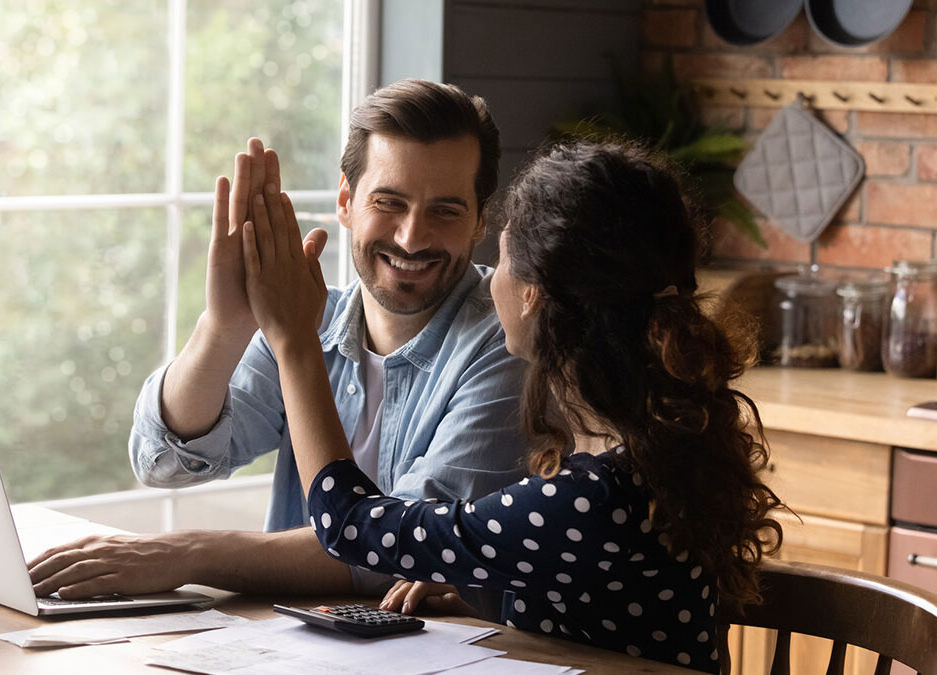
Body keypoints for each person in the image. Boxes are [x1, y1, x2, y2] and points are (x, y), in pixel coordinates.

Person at [239, 140, 785, 672]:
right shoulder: (641, 457)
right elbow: (603, 610)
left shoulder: (594, 497)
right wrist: (492, 605)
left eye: (499, 257)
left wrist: (294, 341)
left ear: (533, 294)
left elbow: (348, 526)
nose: (489, 276)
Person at [27, 80, 527, 599]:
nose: (411, 237)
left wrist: (187, 554)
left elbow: (400, 552)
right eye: (389, 202)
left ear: (479, 221)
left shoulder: (509, 342)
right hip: (288, 639)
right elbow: (164, 460)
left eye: (445, 211)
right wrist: (225, 325)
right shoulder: (311, 315)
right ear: (345, 201)